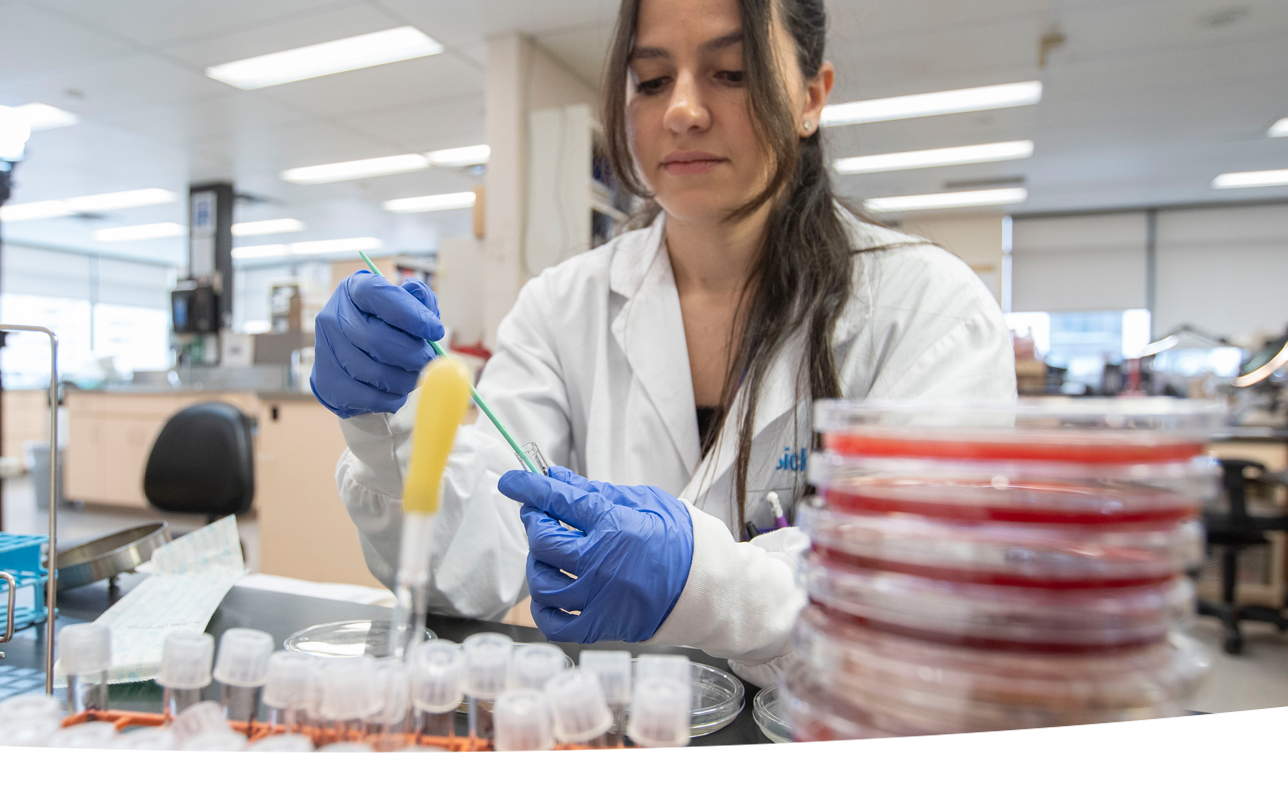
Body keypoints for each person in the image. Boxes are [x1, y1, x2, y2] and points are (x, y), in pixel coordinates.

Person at [312, 0, 1013, 685]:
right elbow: (479, 560)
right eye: (650, 80)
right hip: (609, 728)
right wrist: (382, 426)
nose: (682, 109)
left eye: (732, 72)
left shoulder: (928, 311)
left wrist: (703, 584)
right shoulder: (561, 308)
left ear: (811, 96)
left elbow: (925, 607)